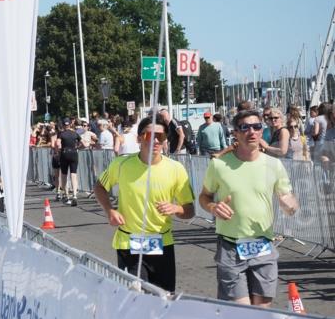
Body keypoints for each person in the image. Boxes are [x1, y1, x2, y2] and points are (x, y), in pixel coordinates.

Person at [199, 109, 298, 308]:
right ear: (235, 133)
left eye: (257, 126)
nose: (251, 131)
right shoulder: (219, 165)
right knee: (242, 312)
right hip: (231, 246)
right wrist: (213, 207)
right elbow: (204, 197)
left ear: (262, 131)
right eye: (245, 127)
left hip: (262, 245)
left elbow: (289, 199)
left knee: (262, 312)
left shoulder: (274, 164)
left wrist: (291, 206)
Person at [93, 114, 195, 292]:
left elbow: (190, 210)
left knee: (163, 300)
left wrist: (176, 208)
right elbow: (100, 186)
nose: (155, 141)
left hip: (162, 243)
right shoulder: (121, 164)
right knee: (135, 298)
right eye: (149, 135)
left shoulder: (176, 169)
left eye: (160, 137)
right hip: (129, 243)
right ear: (139, 138)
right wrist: (110, 210)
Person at [56, 118, 82, 205]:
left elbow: (57, 144)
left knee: (64, 175)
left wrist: (58, 150)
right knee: (73, 174)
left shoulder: (61, 134)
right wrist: (77, 147)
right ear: (70, 124)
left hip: (65, 153)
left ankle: (66, 194)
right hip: (74, 153)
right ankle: (74, 194)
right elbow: (84, 143)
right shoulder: (75, 133)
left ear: (63, 125)